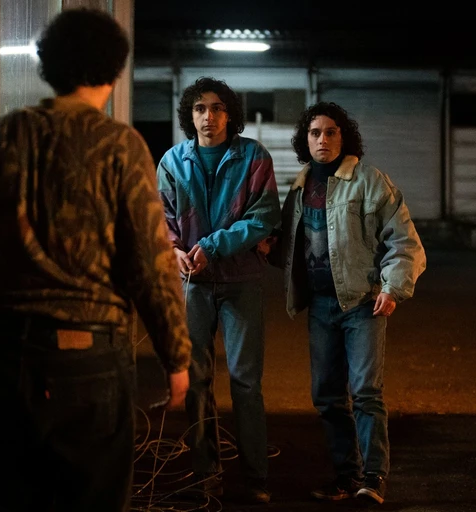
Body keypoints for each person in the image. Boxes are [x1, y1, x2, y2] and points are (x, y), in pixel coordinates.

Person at [0, 8, 191, 512]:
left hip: (9, 357)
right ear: (114, 70)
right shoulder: (120, 146)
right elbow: (150, 263)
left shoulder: (0, 138)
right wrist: (176, 357)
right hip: (91, 363)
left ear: (47, 65)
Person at [277, 101, 426, 504]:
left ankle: (373, 478)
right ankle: (347, 477)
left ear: (344, 137)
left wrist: (392, 287)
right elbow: (288, 245)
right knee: (327, 396)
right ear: (305, 140)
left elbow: (404, 241)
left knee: (365, 392)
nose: (322, 140)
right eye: (314, 133)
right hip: (321, 307)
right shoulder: (299, 187)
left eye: (331, 132)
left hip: (362, 304)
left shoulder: (369, 181)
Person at [156, 77, 280, 503]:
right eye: (199, 109)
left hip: (241, 281)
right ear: (189, 116)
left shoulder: (253, 157)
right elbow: (162, 218)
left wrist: (210, 247)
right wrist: (174, 250)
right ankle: (206, 472)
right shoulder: (173, 161)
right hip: (192, 284)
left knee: (246, 380)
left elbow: (263, 217)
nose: (208, 116)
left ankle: (256, 477)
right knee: (197, 381)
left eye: (216, 108)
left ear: (230, 114)